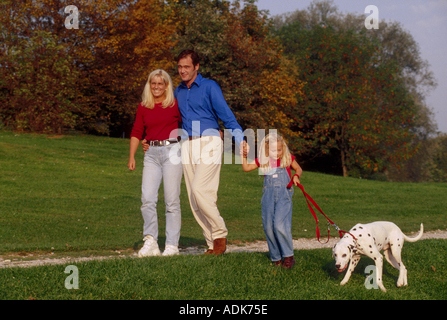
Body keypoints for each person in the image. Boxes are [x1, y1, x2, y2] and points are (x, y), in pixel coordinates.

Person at [143, 50, 246, 255]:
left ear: (196, 67)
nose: (182, 70)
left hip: (209, 141)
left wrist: (240, 139)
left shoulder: (209, 86)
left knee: (201, 190)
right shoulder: (178, 92)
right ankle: (211, 244)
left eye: (187, 67)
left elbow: (226, 115)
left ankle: (219, 233)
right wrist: (149, 139)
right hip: (186, 144)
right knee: (193, 197)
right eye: (180, 67)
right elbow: (166, 118)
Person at [128, 69, 183, 257]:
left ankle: (172, 245)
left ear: (167, 86)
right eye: (153, 83)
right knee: (148, 199)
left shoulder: (175, 105)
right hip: (151, 154)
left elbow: (188, 125)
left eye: (161, 83)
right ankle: (151, 241)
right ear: (149, 85)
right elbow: (137, 130)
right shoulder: (144, 106)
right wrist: (132, 156)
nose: (157, 87)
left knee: (171, 201)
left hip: (173, 152)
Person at [241, 132, 303, 269]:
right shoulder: (263, 161)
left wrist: (296, 176)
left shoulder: (287, 159)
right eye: (274, 150)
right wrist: (243, 156)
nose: (277, 153)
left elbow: (298, 168)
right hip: (268, 196)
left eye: (279, 150)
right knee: (269, 227)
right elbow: (246, 168)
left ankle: (288, 256)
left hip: (284, 195)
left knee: (279, 225)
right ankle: (276, 257)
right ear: (267, 150)